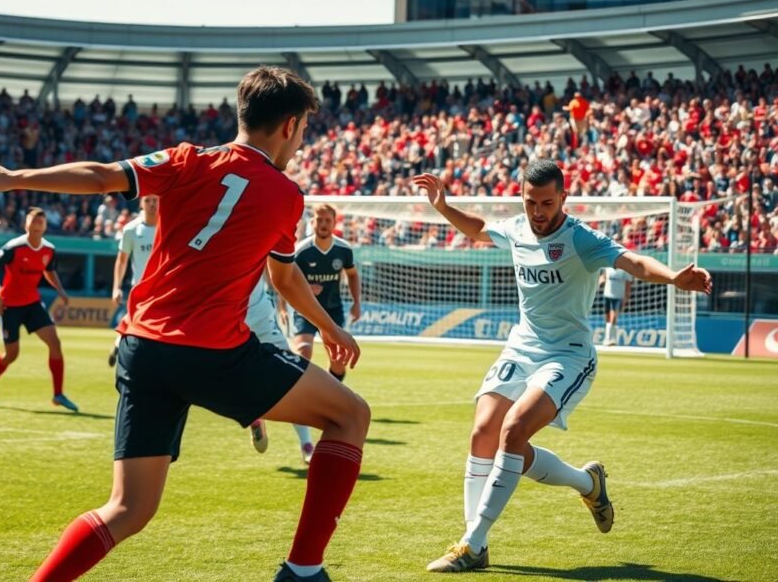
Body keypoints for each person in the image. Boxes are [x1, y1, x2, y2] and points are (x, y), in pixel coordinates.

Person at [0, 66, 370, 582]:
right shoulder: (286, 195)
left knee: (128, 509)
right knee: (350, 415)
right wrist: (330, 326)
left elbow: (101, 175)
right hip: (215, 353)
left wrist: (13, 178)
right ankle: (303, 571)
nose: (302, 142)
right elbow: (283, 277)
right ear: (289, 125)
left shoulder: (187, 159)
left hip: (143, 348)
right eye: (304, 129)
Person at [413, 161, 711, 573]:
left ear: (563, 199)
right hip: (521, 348)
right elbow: (480, 229)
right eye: (531, 202)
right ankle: (584, 486)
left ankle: (473, 542)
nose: (538, 211)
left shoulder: (581, 239)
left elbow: (633, 262)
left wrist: (673, 278)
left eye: (547, 203)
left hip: (568, 355)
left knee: (513, 430)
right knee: (484, 432)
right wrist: (443, 206)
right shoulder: (517, 228)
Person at [0, 207, 78, 412]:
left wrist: (60, 290)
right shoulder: (14, 247)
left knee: (55, 342)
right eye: (33, 221)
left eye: (40, 222)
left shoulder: (49, 250)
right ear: (26, 224)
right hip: (9, 306)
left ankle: (58, 394)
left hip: (32, 303)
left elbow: (49, 270)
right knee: (12, 354)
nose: (37, 225)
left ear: (45, 226)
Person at [279, 204, 362, 384]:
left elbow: (353, 275)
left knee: (338, 361)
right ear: (312, 222)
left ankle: (330, 393)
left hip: (332, 309)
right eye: (320, 220)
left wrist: (357, 302)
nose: (323, 224)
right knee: (303, 349)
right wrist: (283, 307)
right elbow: (285, 279)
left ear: (334, 223)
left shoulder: (344, 249)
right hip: (305, 309)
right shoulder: (301, 251)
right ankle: (300, 395)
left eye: (328, 220)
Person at [246, 273, 317, 464]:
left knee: (291, 380)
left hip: (258, 318)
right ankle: (255, 415)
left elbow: (278, 275)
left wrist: (282, 304)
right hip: (234, 319)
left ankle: (306, 443)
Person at [108, 194, 158, 367]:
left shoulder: (169, 227)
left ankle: (118, 344)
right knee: (135, 328)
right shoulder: (131, 229)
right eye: (148, 200)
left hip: (164, 289)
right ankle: (120, 347)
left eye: (155, 200)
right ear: (141, 203)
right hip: (141, 290)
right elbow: (121, 261)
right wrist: (116, 287)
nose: (152, 204)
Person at [599, 266, 632, 346]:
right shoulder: (607, 269)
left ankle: (610, 339)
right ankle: (609, 339)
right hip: (607, 295)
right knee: (607, 318)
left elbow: (628, 284)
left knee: (613, 317)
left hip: (618, 297)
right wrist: (600, 282)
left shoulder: (624, 271)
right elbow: (603, 277)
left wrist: (626, 297)